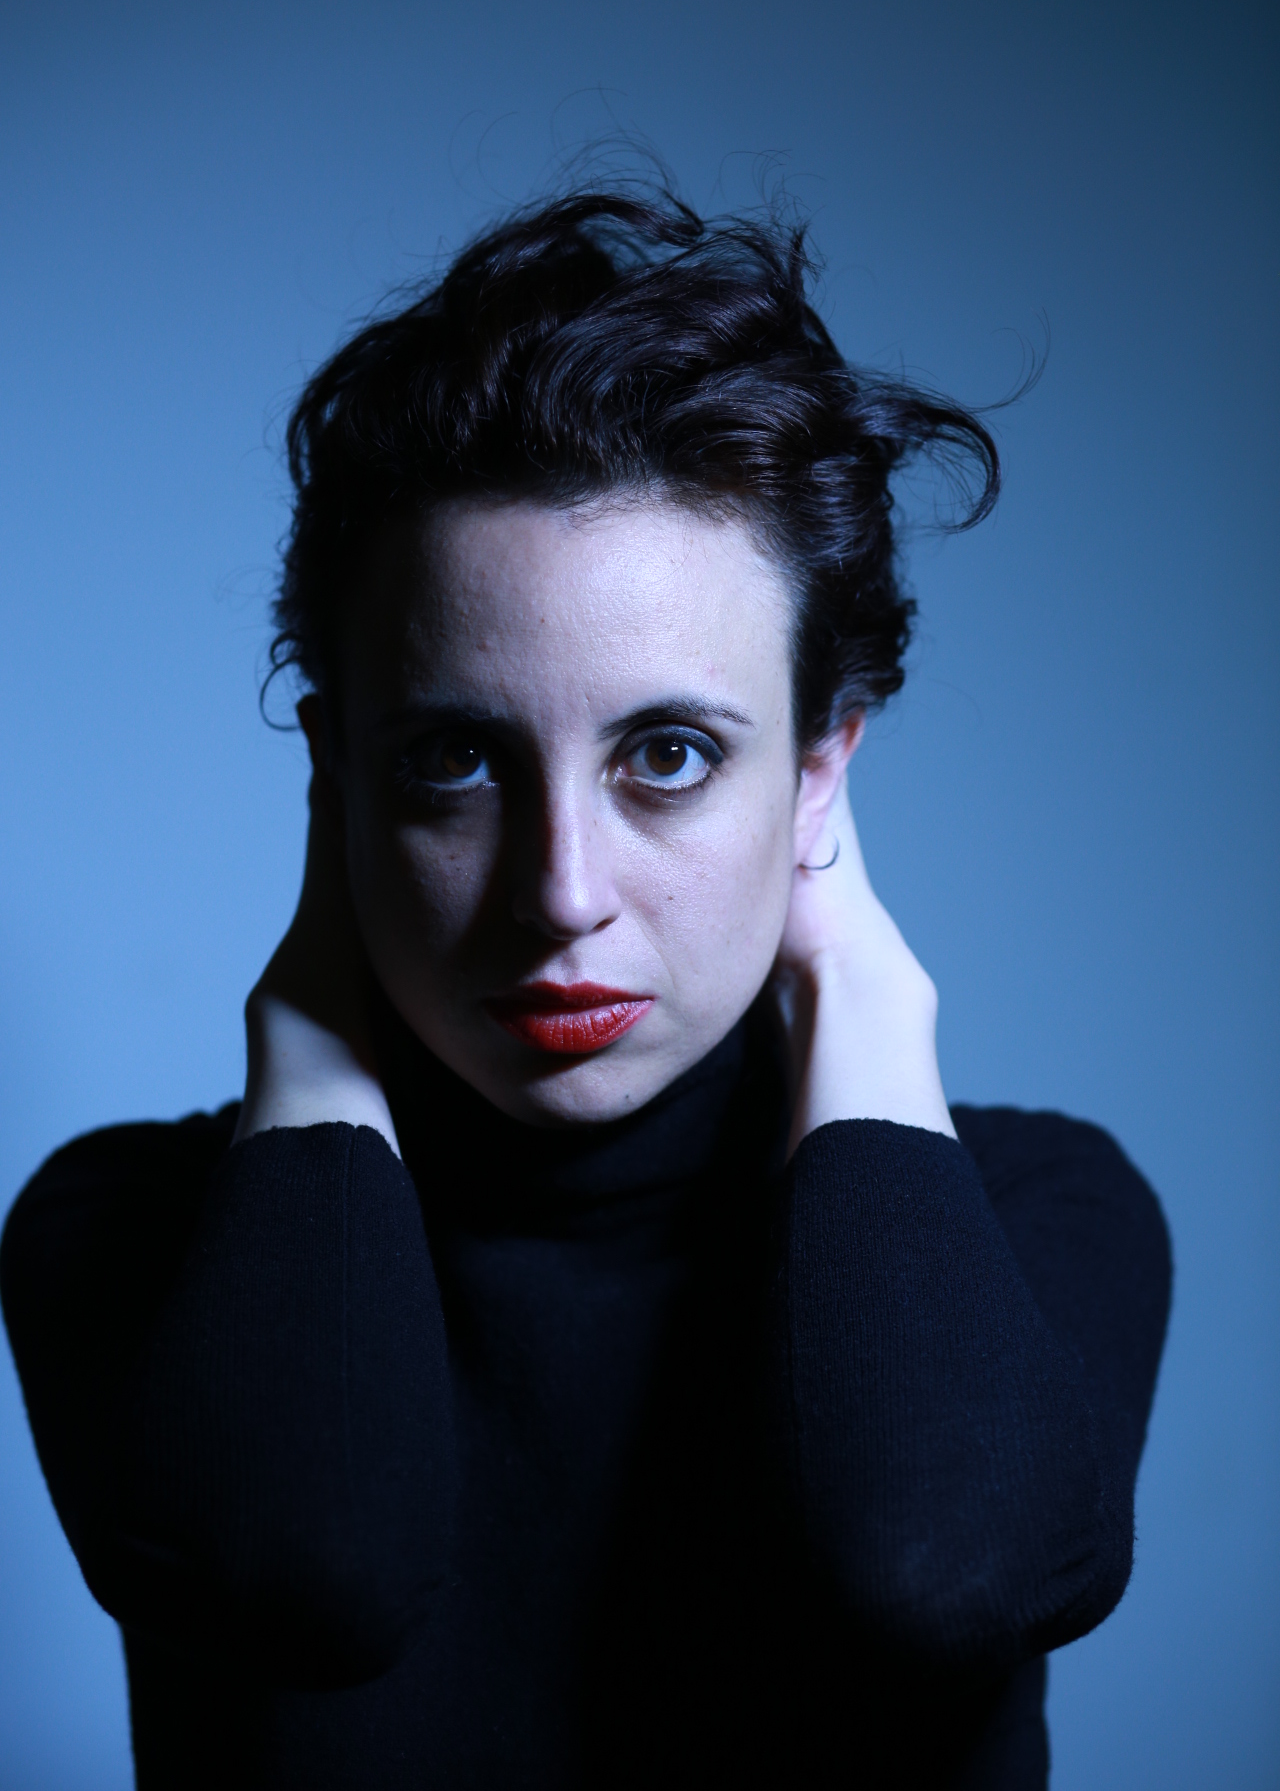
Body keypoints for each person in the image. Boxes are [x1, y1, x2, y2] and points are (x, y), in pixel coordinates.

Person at [1, 187, 1171, 1789]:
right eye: (456, 760)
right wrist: (311, 1029)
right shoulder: (128, 1236)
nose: (560, 891)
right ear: (338, 779)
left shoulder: (1040, 1218)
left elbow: (935, 1570)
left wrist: (865, 999)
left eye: (668, 756)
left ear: (820, 771)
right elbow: (309, 1571)